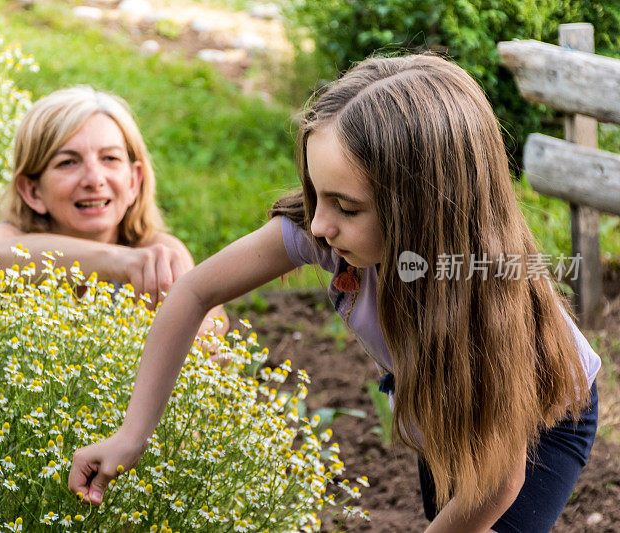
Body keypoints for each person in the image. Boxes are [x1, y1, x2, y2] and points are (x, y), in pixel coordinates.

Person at [67, 55, 600, 532]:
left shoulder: (486, 301)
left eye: (346, 207)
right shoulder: (326, 229)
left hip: (540, 420)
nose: (318, 225)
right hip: (433, 393)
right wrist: (130, 435)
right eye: (315, 193)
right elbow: (192, 293)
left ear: (422, 209)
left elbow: (496, 486)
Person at [0, 86, 227, 334]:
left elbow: (210, 337)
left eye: (110, 159)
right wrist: (118, 262)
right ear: (32, 191)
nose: (94, 179)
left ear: (134, 181)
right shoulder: (6, 239)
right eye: (68, 162)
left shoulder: (158, 252)